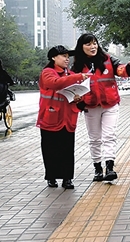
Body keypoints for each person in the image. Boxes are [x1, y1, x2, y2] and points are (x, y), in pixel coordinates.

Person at [70, 33, 130, 182]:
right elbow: (72, 86)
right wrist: (77, 99)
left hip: (110, 103)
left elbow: (121, 70)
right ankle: (97, 168)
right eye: (88, 44)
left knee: (109, 135)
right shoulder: (77, 66)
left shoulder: (108, 59)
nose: (93, 46)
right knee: (94, 139)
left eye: (94, 43)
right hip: (90, 105)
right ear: (81, 47)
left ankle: (110, 167)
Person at [37, 46, 90, 189]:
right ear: (53, 58)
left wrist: (79, 98)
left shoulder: (70, 74)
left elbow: (77, 95)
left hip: (67, 118)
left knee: (67, 149)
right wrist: (78, 77)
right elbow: (55, 83)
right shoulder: (48, 72)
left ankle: (67, 178)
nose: (67, 59)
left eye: (68, 56)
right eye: (63, 56)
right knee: (50, 149)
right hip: (50, 117)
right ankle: (51, 177)